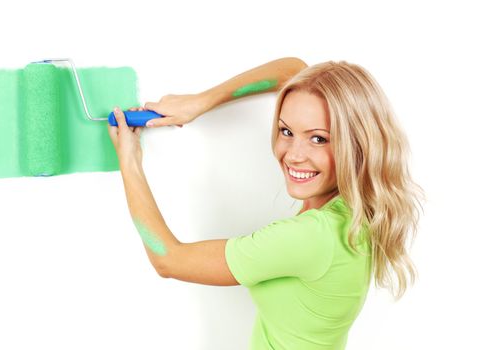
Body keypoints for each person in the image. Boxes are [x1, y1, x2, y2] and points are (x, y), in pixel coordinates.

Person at [107, 57, 424, 349]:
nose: (294, 154)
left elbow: (169, 259)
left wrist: (129, 160)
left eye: (318, 138)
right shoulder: (356, 210)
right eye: (287, 131)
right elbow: (293, 69)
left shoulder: (310, 237)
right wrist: (200, 103)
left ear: (358, 144)